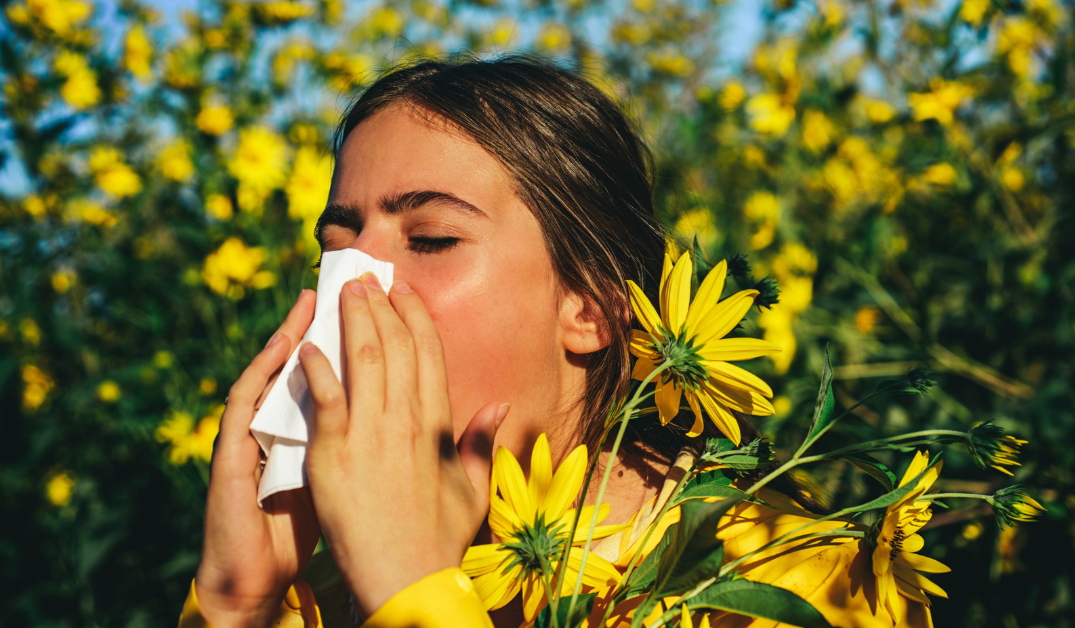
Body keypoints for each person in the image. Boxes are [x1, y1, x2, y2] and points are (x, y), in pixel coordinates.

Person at [178, 54, 934, 628]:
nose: (354, 289)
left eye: (432, 238)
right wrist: (235, 604)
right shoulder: (321, 594)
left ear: (593, 309)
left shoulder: (784, 577)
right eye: (335, 248)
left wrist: (410, 592)